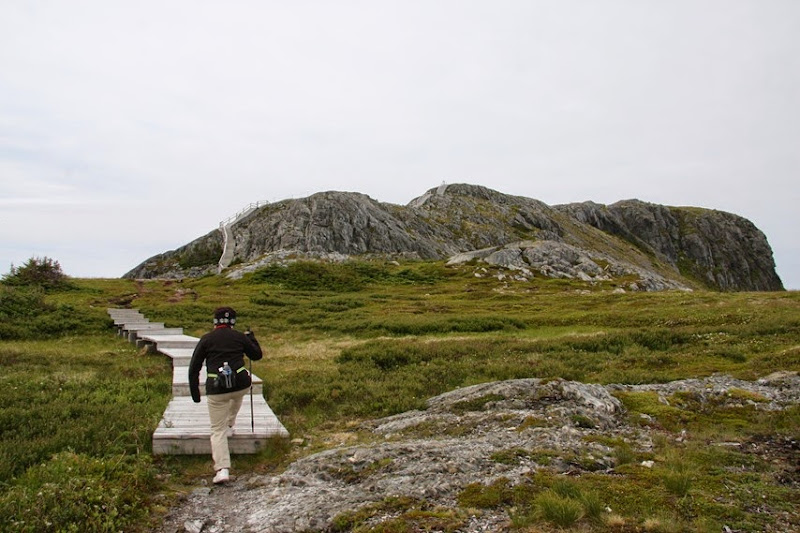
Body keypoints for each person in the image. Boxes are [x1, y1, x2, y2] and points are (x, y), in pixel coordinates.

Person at [189, 306, 263, 484]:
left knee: (217, 430)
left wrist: (195, 394)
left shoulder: (207, 339)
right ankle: (230, 422)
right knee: (236, 394)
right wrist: (251, 339)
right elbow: (256, 355)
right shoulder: (239, 337)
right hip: (241, 385)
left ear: (215, 322)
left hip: (217, 390)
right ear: (233, 322)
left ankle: (222, 469)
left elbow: (194, 368)